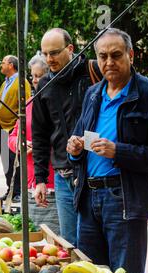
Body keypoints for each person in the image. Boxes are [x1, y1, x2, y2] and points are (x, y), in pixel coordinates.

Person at [67, 28, 148, 273]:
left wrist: (119, 151)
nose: (109, 62)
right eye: (103, 56)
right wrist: (74, 150)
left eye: (116, 55)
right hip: (88, 197)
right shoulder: (93, 94)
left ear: (131, 55)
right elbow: (79, 141)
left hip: (125, 199)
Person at [32, 28, 102, 246]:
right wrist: (41, 179)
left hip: (93, 171)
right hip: (63, 174)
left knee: (94, 241)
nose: (49, 59)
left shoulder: (93, 71)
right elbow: (40, 134)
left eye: (54, 53)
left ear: (70, 49)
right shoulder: (45, 84)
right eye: (45, 54)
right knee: (69, 242)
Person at [9, 54, 58, 233]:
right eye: (33, 76)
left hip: (52, 180)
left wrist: (42, 144)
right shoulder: (29, 103)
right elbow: (13, 136)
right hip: (30, 179)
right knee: (33, 233)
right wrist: (20, 143)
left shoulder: (57, 103)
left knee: (54, 234)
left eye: (39, 75)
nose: (35, 81)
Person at [0, 55, 31, 203]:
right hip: (3, 128)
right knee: (6, 162)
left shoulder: (22, 82)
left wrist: (21, 130)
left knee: (15, 162)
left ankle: (18, 191)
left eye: (3, 63)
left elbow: (27, 106)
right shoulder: (4, 84)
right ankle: (10, 189)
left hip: (13, 128)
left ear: (11, 65)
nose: (1, 65)